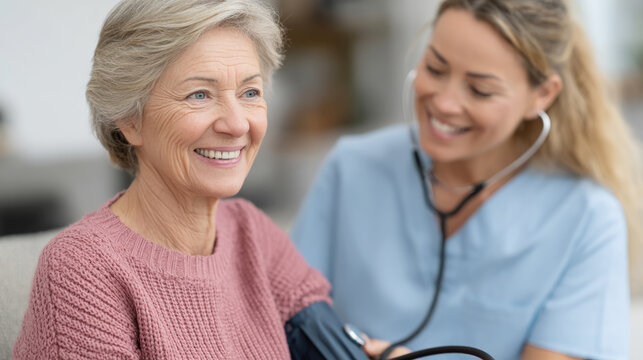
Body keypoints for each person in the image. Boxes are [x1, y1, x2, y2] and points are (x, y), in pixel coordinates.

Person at [12, 1, 371, 359]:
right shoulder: (82, 270)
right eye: (199, 95)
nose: (237, 124)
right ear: (129, 119)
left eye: (250, 93)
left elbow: (334, 348)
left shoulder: (254, 235)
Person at [292, 0, 643, 359]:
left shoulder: (586, 218)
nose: (444, 103)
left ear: (542, 95)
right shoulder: (352, 168)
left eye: (480, 90)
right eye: (435, 68)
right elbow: (282, 320)